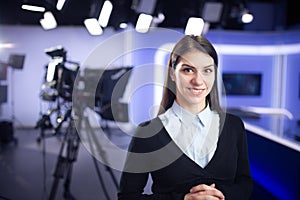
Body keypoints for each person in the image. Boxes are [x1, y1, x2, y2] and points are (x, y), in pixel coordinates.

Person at [118, 35, 253, 200]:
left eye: (207, 70)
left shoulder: (233, 126)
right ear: (172, 74)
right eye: (188, 70)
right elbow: (128, 197)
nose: (198, 80)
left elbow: (244, 185)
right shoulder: (148, 132)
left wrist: (222, 196)